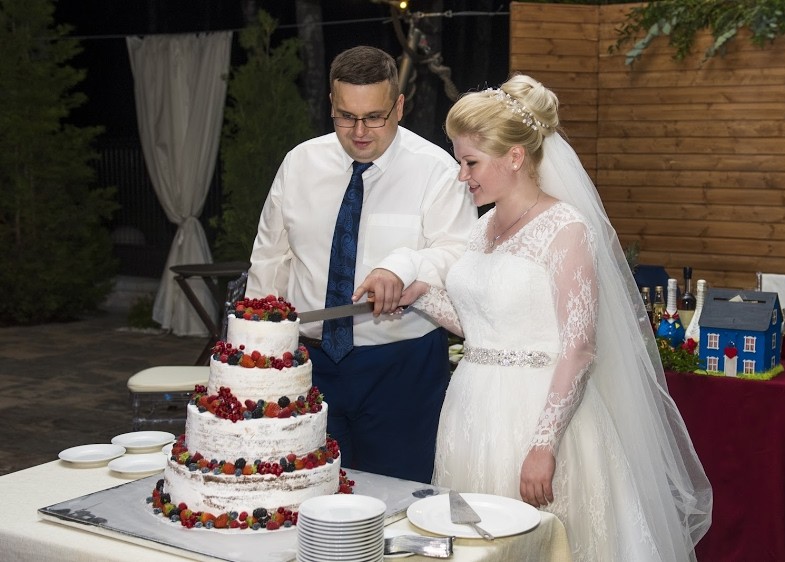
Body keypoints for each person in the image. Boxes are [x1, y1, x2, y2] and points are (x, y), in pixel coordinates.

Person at [394, 75, 713, 560]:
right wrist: (420, 295)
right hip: (471, 411)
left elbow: (579, 346)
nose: (462, 176)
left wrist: (544, 444)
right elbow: (483, 327)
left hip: (540, 416)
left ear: (514, 157)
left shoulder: (566, 229)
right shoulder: (483, 228)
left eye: (470, 162)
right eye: (460, 161)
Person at [246, 46, 476, 484]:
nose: (359, 131)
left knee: (398, 495)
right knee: (307, 494)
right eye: (346, 116)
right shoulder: (299, 163)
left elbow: (459, 253)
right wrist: (256, 348)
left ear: (399, 107)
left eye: (374, 117)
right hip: (308, 365)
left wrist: (404, 267)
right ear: (331, 104)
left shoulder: (437, 170)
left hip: (402, 368)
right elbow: (271, 257)